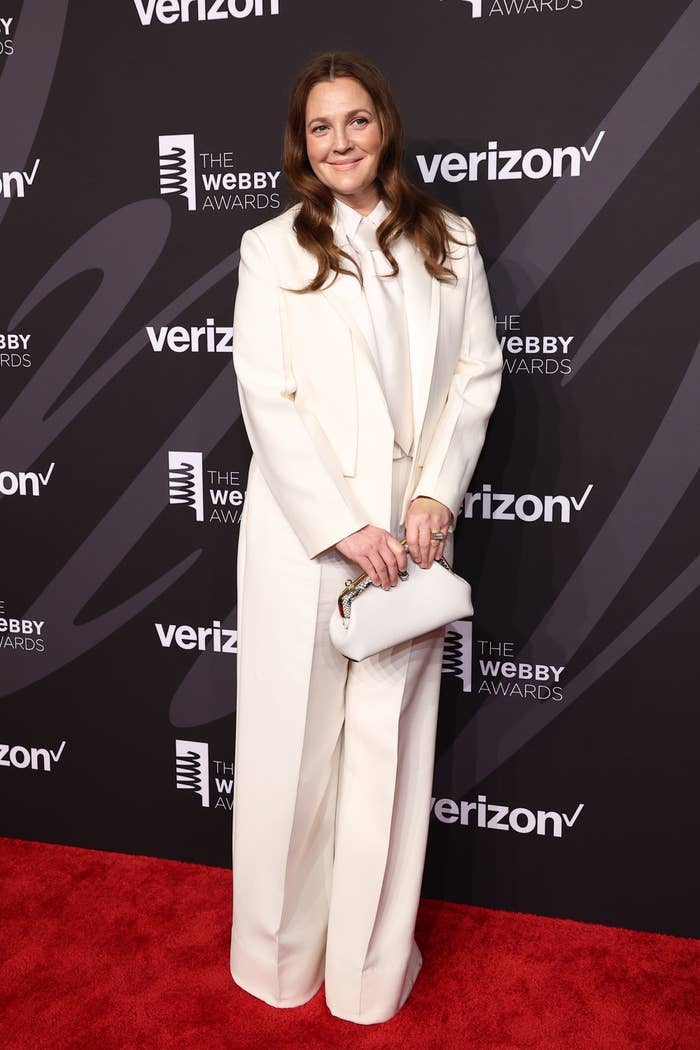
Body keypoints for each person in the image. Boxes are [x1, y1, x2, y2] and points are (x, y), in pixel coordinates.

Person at [229, 50, 502, 1025]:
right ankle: (275, 966)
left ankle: (366, 979)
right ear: (301, 146)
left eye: (354, 120)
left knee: (389, 760)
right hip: (305, 533)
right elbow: (266, 395)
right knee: (286, 758)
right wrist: (340, 525)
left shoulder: (452, 242)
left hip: (412, 532)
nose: (339, 141)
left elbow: (475, 375)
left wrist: (433, 496)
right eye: (318, 127)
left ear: (382, 125)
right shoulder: (271, 250)